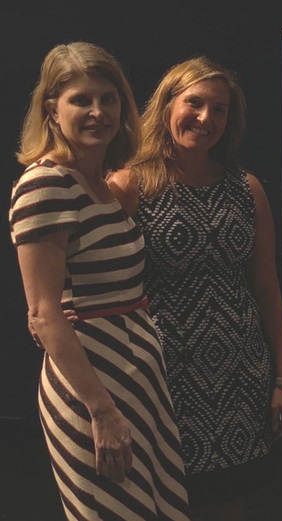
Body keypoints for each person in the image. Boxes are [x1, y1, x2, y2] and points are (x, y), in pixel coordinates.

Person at [108, 56, 282, 521]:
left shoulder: (246, 187)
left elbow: (267, 288)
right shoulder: (132, 184)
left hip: (241, 375)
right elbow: (98, 278)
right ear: (168, 104)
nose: (206, 118)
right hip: (162, 377)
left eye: (220, 109)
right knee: (167, 500)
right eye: (194, 102)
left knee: (233, 498)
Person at [8, 42, 189, 520]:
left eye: (108, 99)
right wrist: (102, 411)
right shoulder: (45, 184)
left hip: (137, 379)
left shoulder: (102, 184)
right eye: (80, 100)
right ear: (52, 110)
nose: (97, 111)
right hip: (93, 386)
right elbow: (43, 315)